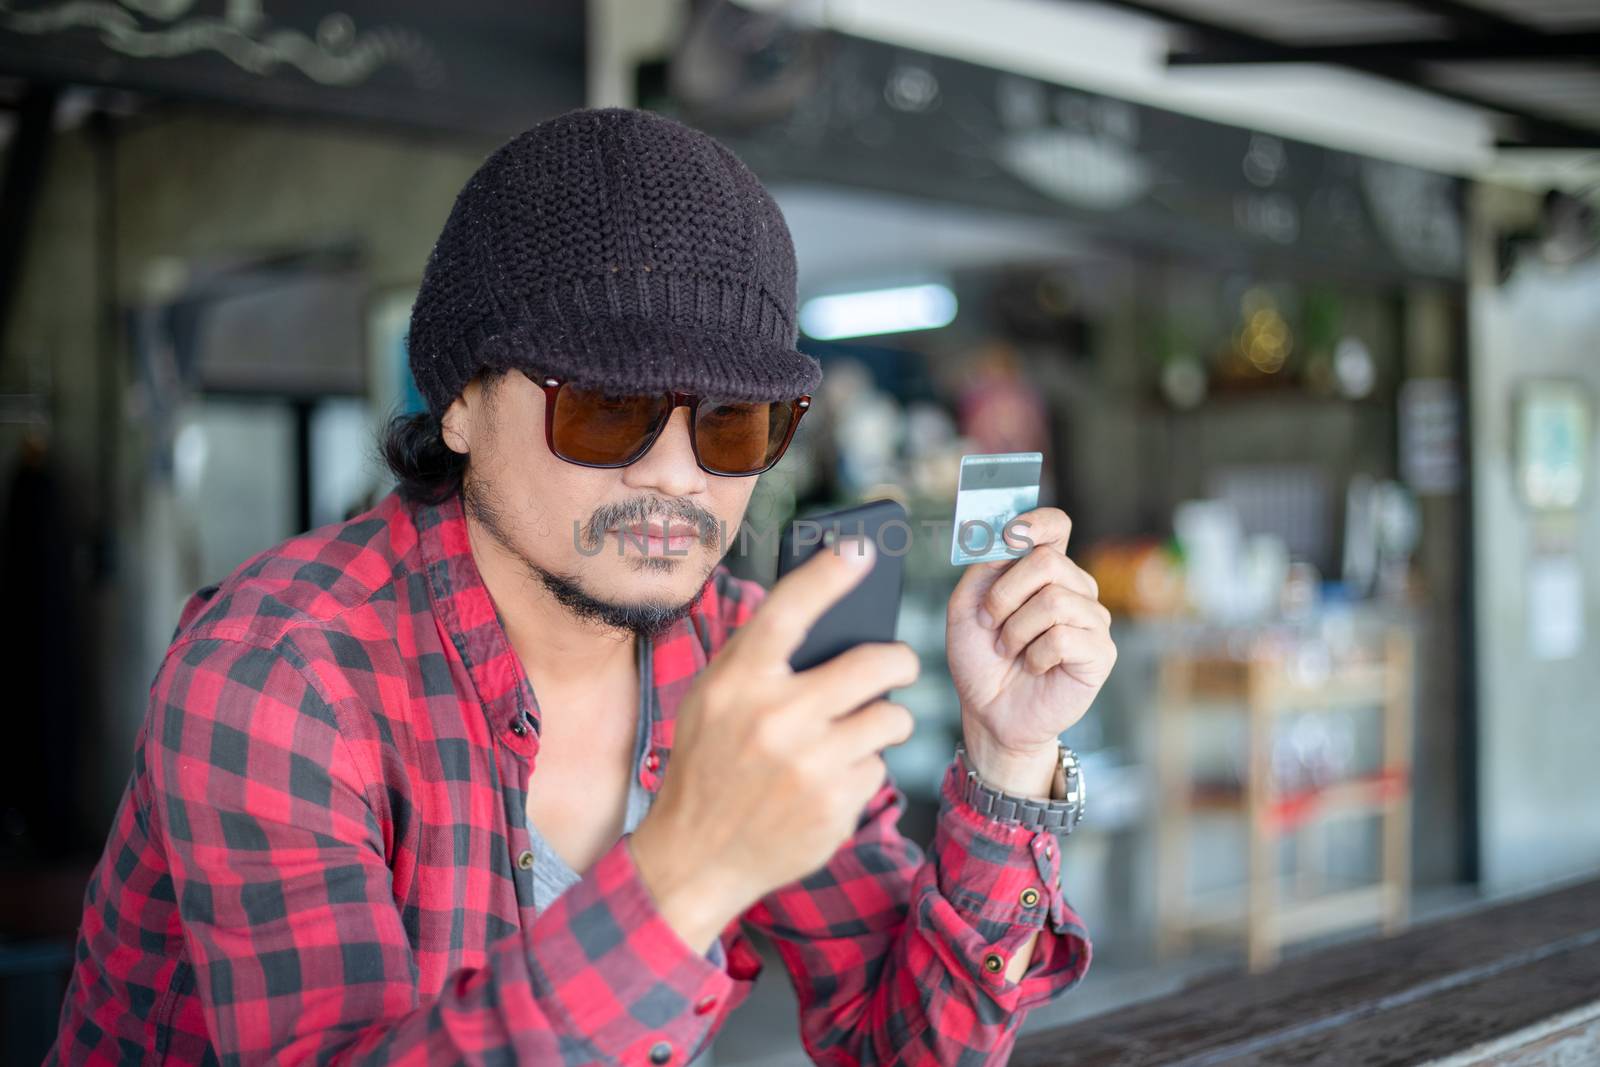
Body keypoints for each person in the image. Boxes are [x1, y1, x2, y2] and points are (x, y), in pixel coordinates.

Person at [50, 107, 1114, 1065]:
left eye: (731, 422)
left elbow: (910, 1044)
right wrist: (685, 868)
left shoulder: (737, 653)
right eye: (605, 406)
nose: (673, 472)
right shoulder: (281, 672)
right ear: (458, 402)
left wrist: (1007, 754)